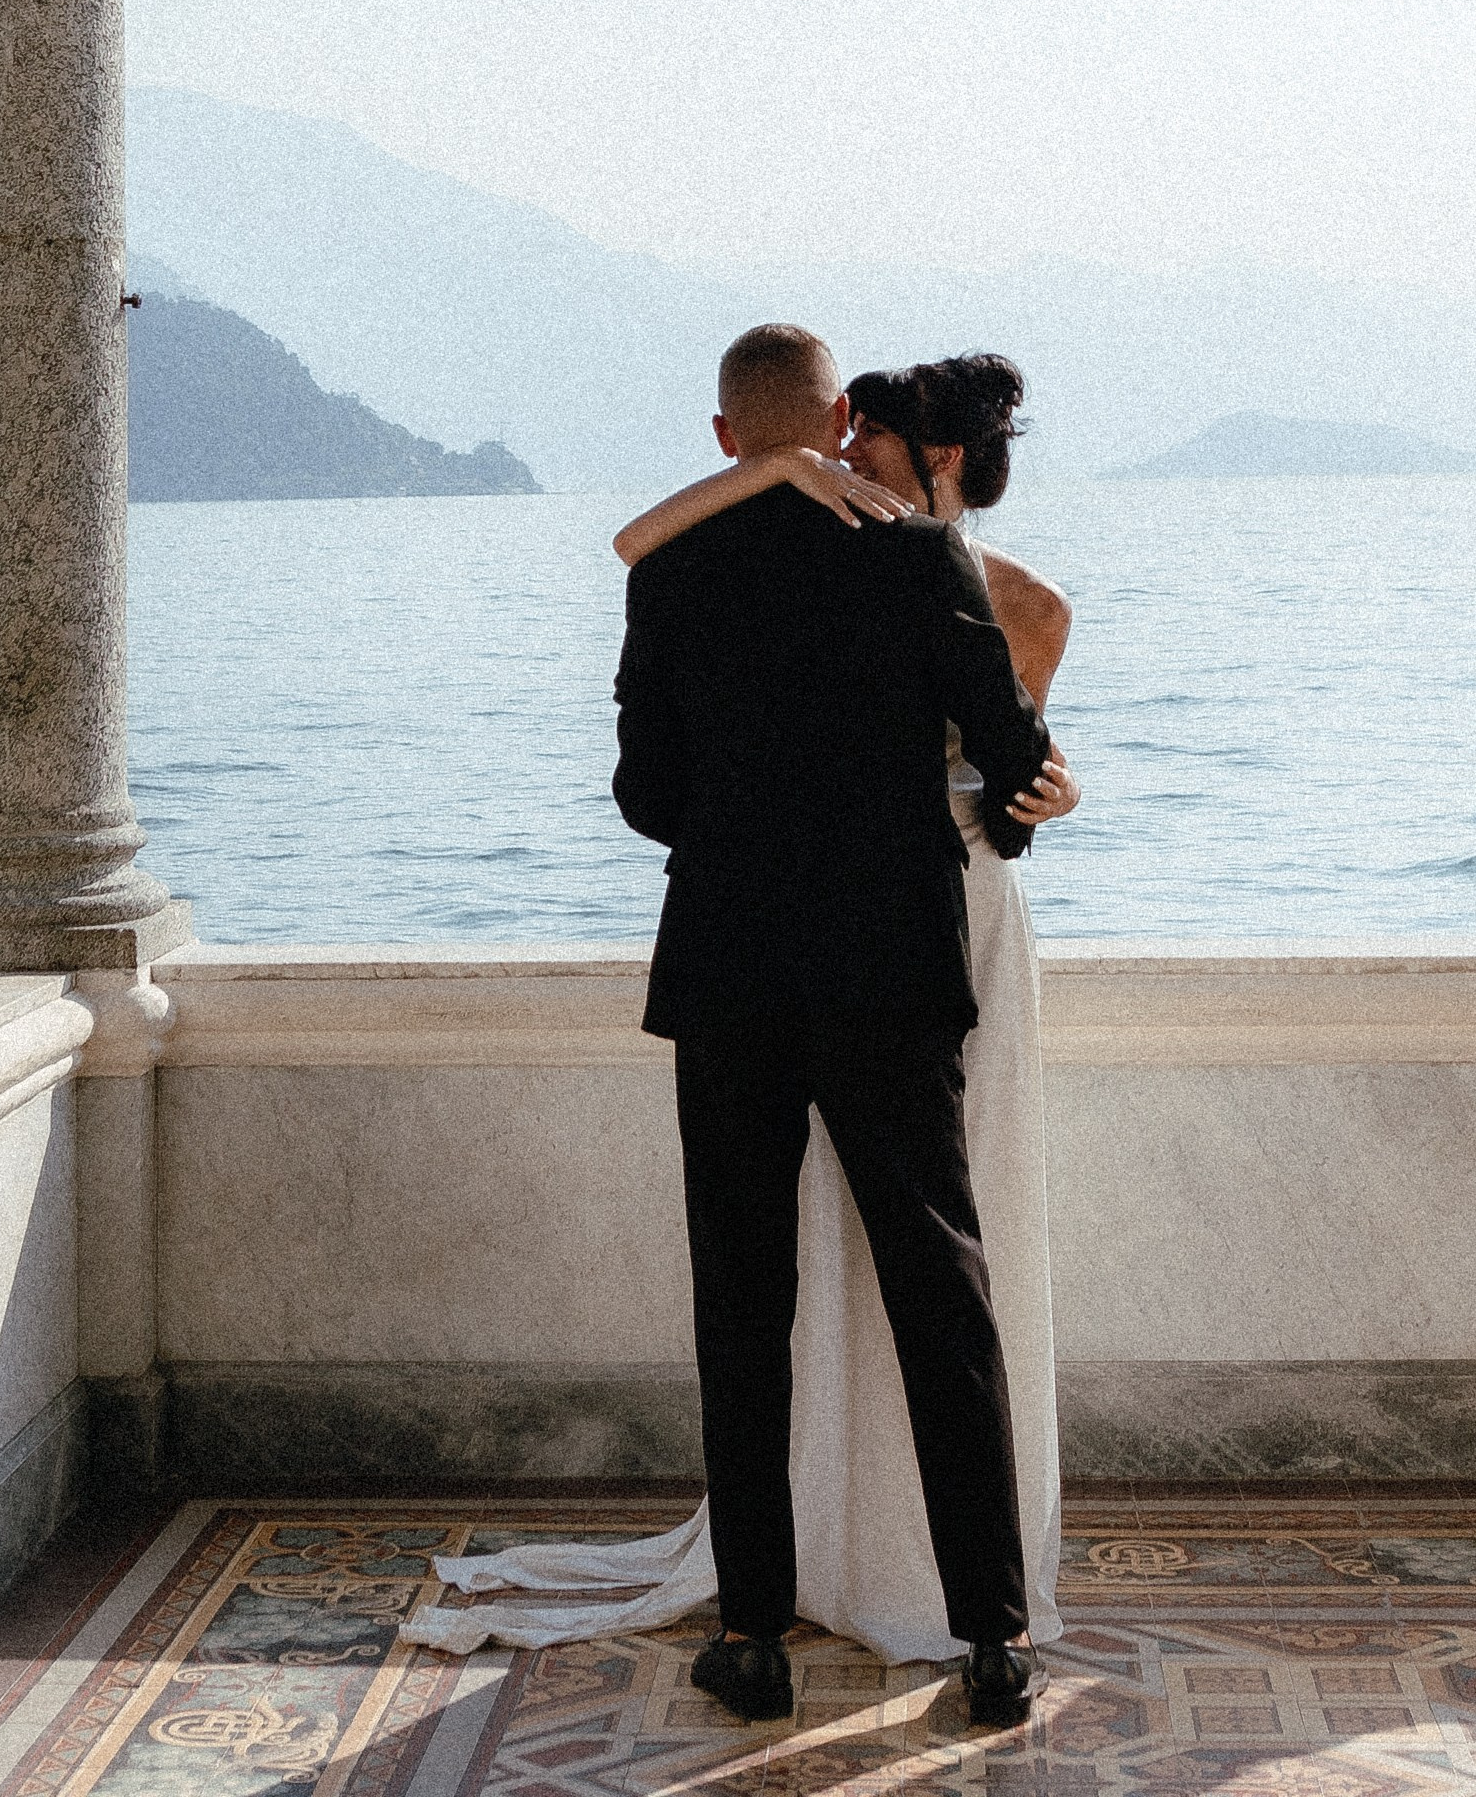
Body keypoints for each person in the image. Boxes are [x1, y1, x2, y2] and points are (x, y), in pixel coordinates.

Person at [406, 331, 1076, 1721]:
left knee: (743, 1305)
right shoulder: (916, 556)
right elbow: (1013, 766)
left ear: (727, 438)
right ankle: (994, 1639)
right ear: (839, 419)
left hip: (727, 974)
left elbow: (647, 797)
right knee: (941, 1297)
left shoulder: (675, 573)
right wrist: (1015, 790)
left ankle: (757, 1636)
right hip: (892, 973)